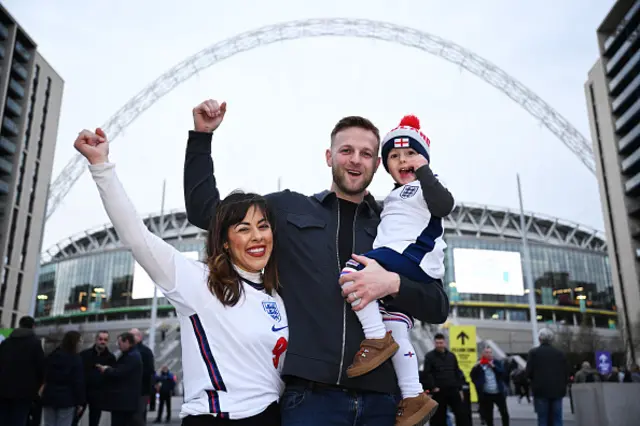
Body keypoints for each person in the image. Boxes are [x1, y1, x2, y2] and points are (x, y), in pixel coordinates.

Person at [184, 99, 449, 426]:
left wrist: (392, 284)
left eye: (366, 154)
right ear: (329, 156)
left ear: (377, 164)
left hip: (382, 401)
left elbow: (438, 306)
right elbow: (206, 213)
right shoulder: (288, 209)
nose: (355, 160)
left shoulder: (396, 224)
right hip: (309, 400)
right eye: (346, 150)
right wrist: (201, 137)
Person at [74, 127, 287, 425]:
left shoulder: (275, 295)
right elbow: (137, 237)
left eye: (263, 226)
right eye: (243, 229)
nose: (257, 237)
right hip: (219, 417)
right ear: (225, 241)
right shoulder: (200, 282)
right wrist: (101, 166)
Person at [339, 114, 453, 424]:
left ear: (424, 159)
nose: (403, 160)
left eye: (411, 154)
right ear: (385, 165)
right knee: (397, 325)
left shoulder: (425, 188)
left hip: (412, 257)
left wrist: (425, 171)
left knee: (351, 272)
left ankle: (375, 338)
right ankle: (413, 395)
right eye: (394, 156)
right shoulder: (392, 195)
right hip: (400, 261)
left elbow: (444, 205)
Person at [0, 315, 45, 426]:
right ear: (33, 327)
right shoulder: (35, 344)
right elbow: (41, 368)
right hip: (24, 392)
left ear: (19, 325)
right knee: (19, 420)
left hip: (3, 389)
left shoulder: (6, 342)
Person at [421, 333, 467, 426]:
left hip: (453, 389)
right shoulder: (429, 357)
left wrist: (460, 389)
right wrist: (432, 388)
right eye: (437, 343)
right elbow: (427, 374)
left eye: (441, 343)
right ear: (434, 343)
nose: (439, 345)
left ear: (445, 343)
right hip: (439, 391)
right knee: (438, 417)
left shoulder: (451, 356)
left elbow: (457, 371)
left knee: (461, 414)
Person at [525, 328, 569, 426]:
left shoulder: (534, 353)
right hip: (557, 390)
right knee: (557, 418)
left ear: (540, 339)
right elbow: (566, 372)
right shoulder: (560, 353)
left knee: (543, 418)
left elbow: (528, 372)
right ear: (552, 339)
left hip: (540, 390)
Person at [98, 332, 143, 426]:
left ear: (126, 341)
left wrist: (106, 370)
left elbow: (120, 373)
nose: (119, 346)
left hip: (124, 402)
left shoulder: (132, 356)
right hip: (125, 401)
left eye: (120, 343)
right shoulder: (131, 354)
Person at [41, 330, 85, 426]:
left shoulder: (53, 356)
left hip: (49, 396)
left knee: (48, 423)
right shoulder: (76, 359)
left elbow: (45, 375)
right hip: (67, 399)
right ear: (75, 343)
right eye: (80, 341)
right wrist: (80, 402)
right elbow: (78, 382)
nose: (81, 344)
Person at [75, 330, 117, 426]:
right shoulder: (84, 355)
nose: (103, 342)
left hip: (99, 394)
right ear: (96, 340)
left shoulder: (111, 358)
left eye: (105, 340)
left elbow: (113, 376)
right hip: (83, 392)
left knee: (94, 421)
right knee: (75, 418)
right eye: (100, 339)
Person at [470, 347, 509, 426]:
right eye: (486, 352)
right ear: (483, 354)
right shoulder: (479, 364)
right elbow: (472, 376)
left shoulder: (497, 362)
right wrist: (475, 367)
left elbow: (502, 374)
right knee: (488, 415)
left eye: (490, 352)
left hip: (498, 392)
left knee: (504, 412)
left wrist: (493, 366)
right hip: (486, 393)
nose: (488, 354)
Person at [130, 327, 156, 422]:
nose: (130, 338)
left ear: (139, 337)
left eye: (132, 336)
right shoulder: (129, 351)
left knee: (139, 418)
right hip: (132, 391)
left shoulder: (145, 352)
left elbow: (149, 371)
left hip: (141, 391)